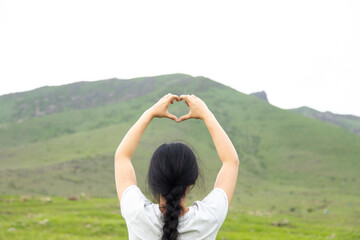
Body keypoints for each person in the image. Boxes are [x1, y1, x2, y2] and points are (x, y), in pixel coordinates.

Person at [114, 93, 239, 240]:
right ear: (192, 180)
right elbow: (231, 161)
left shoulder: (136, 213)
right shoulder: (209, 218)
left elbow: (122, 156)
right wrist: (206, 114)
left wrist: (149, 113)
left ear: (153, 179)